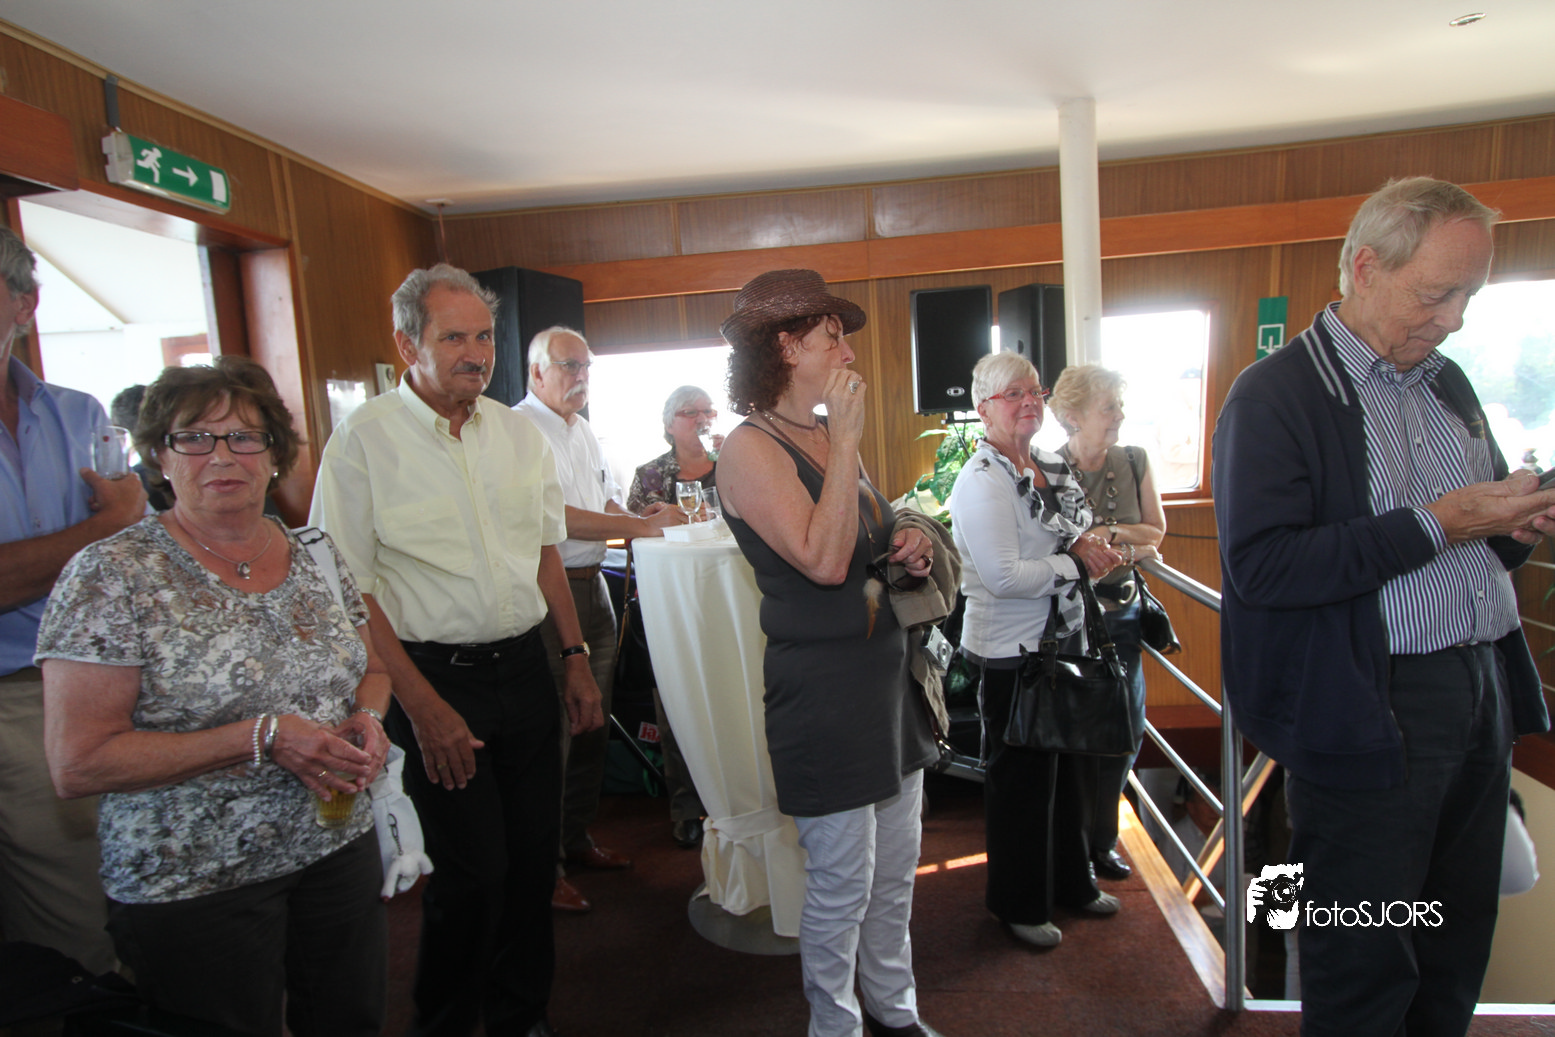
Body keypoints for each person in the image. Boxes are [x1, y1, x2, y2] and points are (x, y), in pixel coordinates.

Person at [1213, 176, 1555, 1037]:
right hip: (1370, 703)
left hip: (1479, 688)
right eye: (1436, 293)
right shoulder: (1274, 394)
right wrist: (1440, 521)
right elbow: (1264, 567)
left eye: (1468, 295)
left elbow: (1477, 540)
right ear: (1365, 268)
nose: (1454, 319)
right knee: (1363, 956)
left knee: (1453, 939)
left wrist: (1515, 525)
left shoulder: (1449, 383)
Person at [35, 357, 390, 1037]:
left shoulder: (314, 550)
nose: (221, 455)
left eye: (244, 436)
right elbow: (78, 762)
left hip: (333, 842)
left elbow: (372, 667)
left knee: (351, 1020)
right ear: (159, 456)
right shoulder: (111, 574)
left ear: (275, 455)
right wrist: (263, 737)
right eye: (194, 437)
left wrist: (368, 718)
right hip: (194, 876)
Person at [311, 264, 603, 1037]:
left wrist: (574, 655)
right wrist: (419, 704)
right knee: (473, 875)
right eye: (453, 338)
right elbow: (350, 590)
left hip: (526, 668)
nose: (475, 353)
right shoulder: (363, 441)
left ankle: (521, 1017)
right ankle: (442, 1024)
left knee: (532, 863)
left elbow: (544, 552)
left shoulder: (515, 433)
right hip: (434, 679)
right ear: (408, 343)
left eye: (483, 336)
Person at [715, 268, 945, 1037]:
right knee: (843, 884)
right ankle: (834, 1026)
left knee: (893, 876)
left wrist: (907, 541)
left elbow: (865, 532)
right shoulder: (748, 448)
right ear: (786, 346)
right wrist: (845, 439)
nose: (846, 352)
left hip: (885, 684)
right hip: (824, 697)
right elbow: (821, 559)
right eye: (832, 337)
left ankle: (893, 1008)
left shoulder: (822, 432)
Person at [0, 226, 145, 975]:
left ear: (23, 304)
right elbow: (109, 536)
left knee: (87, 932)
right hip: (20, 692)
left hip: (75, 686)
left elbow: (127, 559)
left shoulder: (79, 416)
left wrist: (107, 535)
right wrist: (96, 530)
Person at [947, 351, 1125, 950]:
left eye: (1035, 391)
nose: (1029, 401)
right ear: (983, 409)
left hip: (1064, 640)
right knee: (1021, 787)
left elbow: (1080, 529)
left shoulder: (1049, 464)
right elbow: (1003, 577)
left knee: (1071, 776)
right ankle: (1018, 905)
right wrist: (1076, 563)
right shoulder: (981, 480)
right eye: (1012, 394)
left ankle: (1073, 883)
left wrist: (1087, 548)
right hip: (1011, 652)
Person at [514, 326, 684, 912]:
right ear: (536, 372)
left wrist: (642, 515)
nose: (581, 376)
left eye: (586, 366)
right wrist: (641, 527)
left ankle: (576, 838)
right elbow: (554, 519)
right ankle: (544, 869)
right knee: (555, 733)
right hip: (546, 596)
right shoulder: (517, 430)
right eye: (569, 366)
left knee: (594, 723)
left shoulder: (583, 430)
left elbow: (602, 503)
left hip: (596, 590)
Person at [1049, 364, 1164, 881]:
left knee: (1126, 731)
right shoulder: (1047, 468)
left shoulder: (1134, 460)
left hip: (1124, 618)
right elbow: (1060, 545)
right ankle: (1076, 850)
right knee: (1079, 739)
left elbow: (1156, 533)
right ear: (1073, 416)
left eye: (1119, 405)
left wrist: (1105, 533)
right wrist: (1124, 541)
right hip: (1072, 622)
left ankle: (1103, 840)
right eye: (1109, 407)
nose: (1120, 415)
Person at [626, 385, 719, 849]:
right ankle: (685, 807)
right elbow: (632, 535)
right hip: (671, 605)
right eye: (688, 411)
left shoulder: (736, 463)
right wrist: (651, 521)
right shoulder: (649, 475)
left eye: (707, 410)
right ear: (668, 423)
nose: (701, 418)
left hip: (728, 597)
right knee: (676, 704)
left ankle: (738, 798)